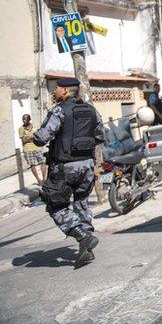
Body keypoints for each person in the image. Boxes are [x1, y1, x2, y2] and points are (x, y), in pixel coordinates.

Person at [28, 78, 105, 269]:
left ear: (65, 90)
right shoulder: (91, 110)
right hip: (87, 166)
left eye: (56, 89)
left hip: (63, 167)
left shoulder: (60, 110)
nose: (54, 92)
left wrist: (32, 136)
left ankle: (83, 236)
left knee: (55, 205)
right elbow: (100, 136)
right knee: (81, 203)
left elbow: (42, 137)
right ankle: (85, 249)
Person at [18, 114, 47, 185]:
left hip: (37, 147)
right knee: (32, 165)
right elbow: (23, 141)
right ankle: (39, 180)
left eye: (26, 119)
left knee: (43, 162)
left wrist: (28, 137)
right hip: (28, 149)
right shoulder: (21, 129)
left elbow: (39, 137)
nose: (24, 121)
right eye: (23, 119)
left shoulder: (35, 127)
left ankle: (44, 179)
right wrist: (32, 137)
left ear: (29, 119)